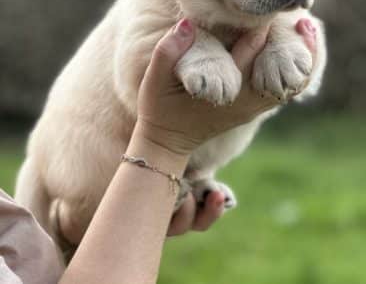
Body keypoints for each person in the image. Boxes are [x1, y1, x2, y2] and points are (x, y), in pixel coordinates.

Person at [0, 18, 316, 284]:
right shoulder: (153, 5)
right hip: (83, 157)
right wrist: (164, 147)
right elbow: (136, 61)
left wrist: (74, 230)